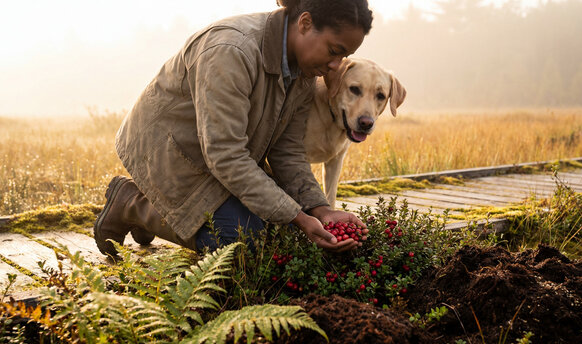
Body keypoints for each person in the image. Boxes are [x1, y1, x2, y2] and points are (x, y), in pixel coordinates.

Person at [93, 0, 374, 257]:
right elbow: (225, 155)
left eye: (344, 56)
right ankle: (132, 203)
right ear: (305, 23)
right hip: (167, 151)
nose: (335, 66)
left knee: (285, 235)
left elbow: (286, 152)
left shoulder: (304, 73)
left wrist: (320, 210)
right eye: (334, 51)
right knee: (242, 242)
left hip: (217, 159)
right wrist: (298, 217)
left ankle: (155, 211)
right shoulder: (231, 50)